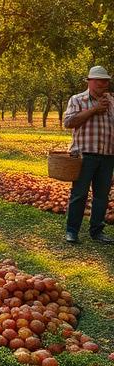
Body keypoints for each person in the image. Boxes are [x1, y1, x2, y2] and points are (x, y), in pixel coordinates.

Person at [63, 65, 114, 245]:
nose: (103, 84)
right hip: (85, 154)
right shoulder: (77, 100)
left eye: (106, 81)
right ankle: (72, 231)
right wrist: (94, 110)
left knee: (102, 195)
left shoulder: (112, 101)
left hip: (107, 155)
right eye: (100, 80)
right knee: (79, 194)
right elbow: (68, 122)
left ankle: (97, 231)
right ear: (90, 81)